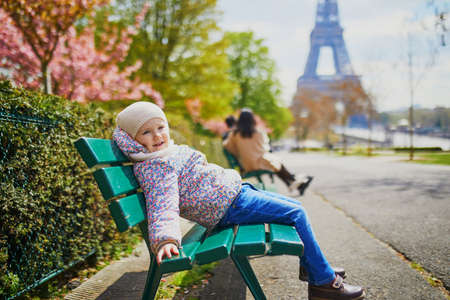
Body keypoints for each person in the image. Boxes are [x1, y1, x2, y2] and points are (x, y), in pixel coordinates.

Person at [112, 101, 365, 300]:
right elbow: (162, 203)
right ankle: (324, 284)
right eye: (146, 132)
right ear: (134, 139)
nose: (157, 135)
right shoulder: (156, 166)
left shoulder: (163, 155)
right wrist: (165, 238)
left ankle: (314, 268)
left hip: (234, 194)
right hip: (230, 205)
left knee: (296, 208)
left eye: (161, 127)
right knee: (296, 214)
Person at [223, 108, 313, 196]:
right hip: (259, 162)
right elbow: (265, 148)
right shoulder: (257, 132)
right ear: (252, 119)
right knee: (275, 161)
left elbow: (227, 146)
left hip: (247, 164)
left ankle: (293, 183)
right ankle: (294, 181)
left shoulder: (234, 134)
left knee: (274, 162)